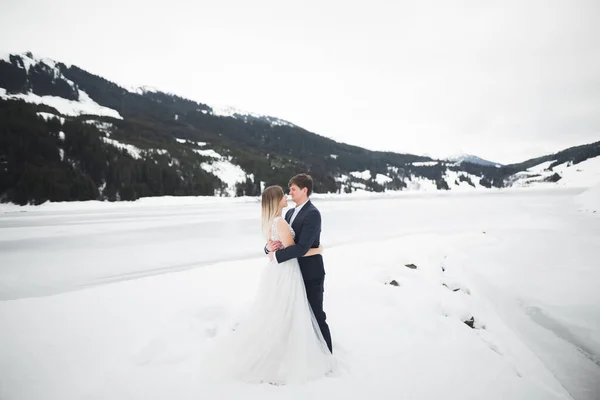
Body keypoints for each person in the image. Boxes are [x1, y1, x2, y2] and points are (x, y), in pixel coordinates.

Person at [205, 182, 333, 385]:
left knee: (309, 314)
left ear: (304, 190)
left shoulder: (293, 216)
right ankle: (295, 358)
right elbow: (295, 250)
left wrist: (271, 250)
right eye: (285, 192)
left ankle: (324, 353)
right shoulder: (283, 219)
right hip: (288, 272)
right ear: (276, 200)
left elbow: (278, 246)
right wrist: (318, 250)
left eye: (292, 190)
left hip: (299, 272)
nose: (288, 194)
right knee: (287, 315)